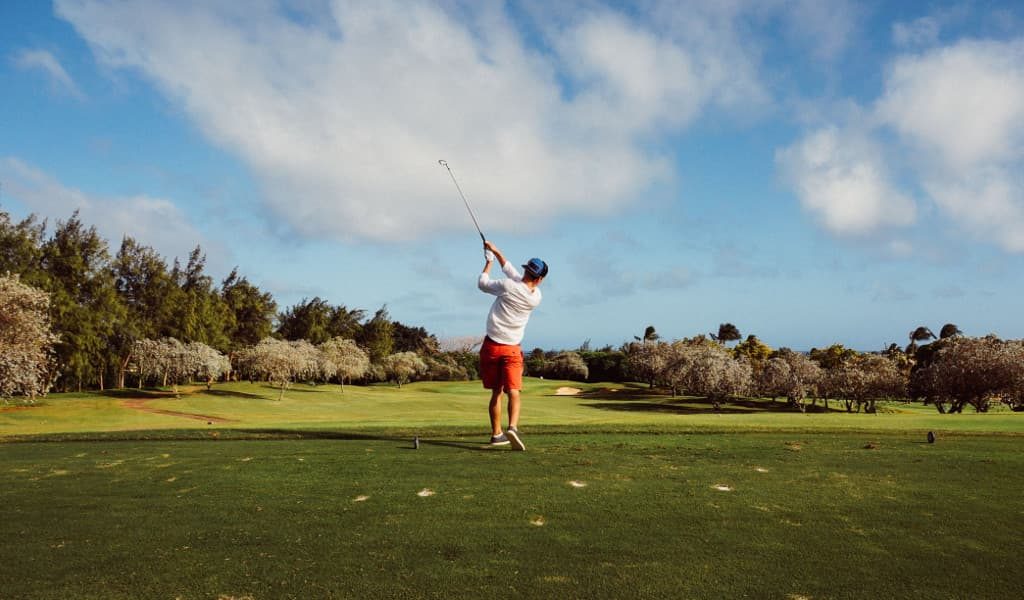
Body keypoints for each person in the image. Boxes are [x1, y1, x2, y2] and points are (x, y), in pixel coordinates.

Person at [477, 240, 547, 451]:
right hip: (512, 349)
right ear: (540, 279)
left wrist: (489, 261)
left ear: (527, 271)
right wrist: (496, 252)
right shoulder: (536, 297)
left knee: (496, 392)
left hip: (491, 346)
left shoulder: (508, 287)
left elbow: (483, 283)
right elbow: (513, 274)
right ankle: (513, 428)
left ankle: (496, 434)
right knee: (514, 390)